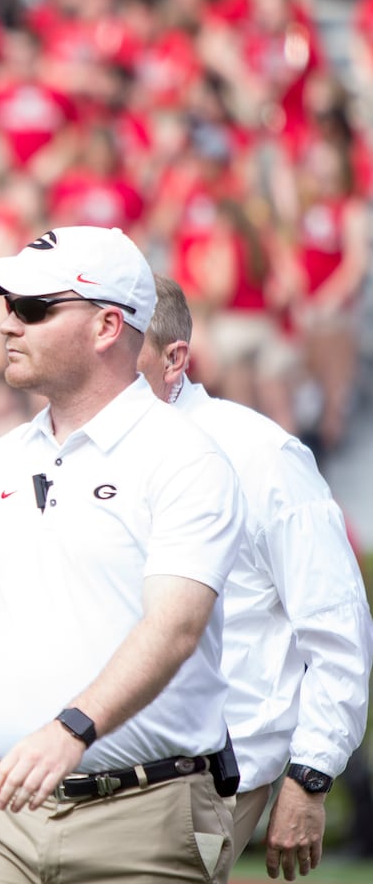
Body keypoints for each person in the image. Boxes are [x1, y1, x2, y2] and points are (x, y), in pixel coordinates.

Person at [0, 225, 247, 883]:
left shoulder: (187, 458)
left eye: (35, 309)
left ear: (106, 327)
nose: (8, 324)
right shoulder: (0, 462)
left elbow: (175, 626)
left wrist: (70, 730)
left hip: (145, 816)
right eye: (7, 306)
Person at [137, 272, 373, 879]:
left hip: (213, 775)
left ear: (173, 358)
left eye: (116, 339)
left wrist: (310, 775)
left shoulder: (260, 455)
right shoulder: (77, 452)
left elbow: (336, 625)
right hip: (91, 760)